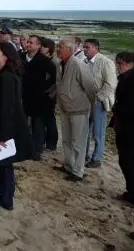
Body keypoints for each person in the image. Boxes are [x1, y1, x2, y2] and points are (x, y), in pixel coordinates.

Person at [0, 42, 33, 222]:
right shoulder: (7, 75)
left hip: (1, 131)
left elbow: (8, 108)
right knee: (5, 164)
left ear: (7, 56)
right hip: (5, 130)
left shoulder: (6, 77)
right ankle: (6, 199)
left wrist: (1, 136)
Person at [54, 39, 97, 182]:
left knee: (78, 142)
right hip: (65, 109)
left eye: (60, 47)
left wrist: (90, 107)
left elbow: (91, 87)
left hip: (79, 110)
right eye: (57, 46)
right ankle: (68, 165)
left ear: (70, 49)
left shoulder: (78, 64)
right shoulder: (60, 64)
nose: (57, 49)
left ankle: (78, 172)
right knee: (66, 140)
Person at [111, 51, 134, 210]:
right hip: (124, 127)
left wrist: (116, 107)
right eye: (117, 63)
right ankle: (132, 191)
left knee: (131, 163)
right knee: (125, 161)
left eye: (120, 63)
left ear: (130, 64)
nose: (118, 66)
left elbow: (132, 108)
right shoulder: (126, 78)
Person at [83, 39, 117, 168]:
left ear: (96, 48)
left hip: (99, 102)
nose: (85, 49)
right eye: (84, 47)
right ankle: (84, 154)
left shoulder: (105, 62)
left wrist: (98, 97)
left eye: (87, 47)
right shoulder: (85, 62)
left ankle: (96, 158)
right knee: (85, 129)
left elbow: (110, 84)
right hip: (86, 100)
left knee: (98, 132)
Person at [21, 35, 56, 160]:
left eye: (31, 42)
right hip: (23, 95)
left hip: (39, 97)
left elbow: (54, 76)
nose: (28, 44)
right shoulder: (21, 57)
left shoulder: (44, 60)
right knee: (23, 122)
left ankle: (37, 150)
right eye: (28, 42)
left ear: (38, 45)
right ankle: (23, 146)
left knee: (38, 125)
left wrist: (45, 88)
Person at [41, 37, 60, 151]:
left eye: (44, 46)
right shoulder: (43, 59)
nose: (42, 48)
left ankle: (52, 143)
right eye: (42, 46)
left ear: (50, 49)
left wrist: (50, 95)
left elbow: (57, 81)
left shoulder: (54, 62)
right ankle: (45, 141)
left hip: (50, 94)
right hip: (43, 93)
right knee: (44, 118)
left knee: (50, 118)